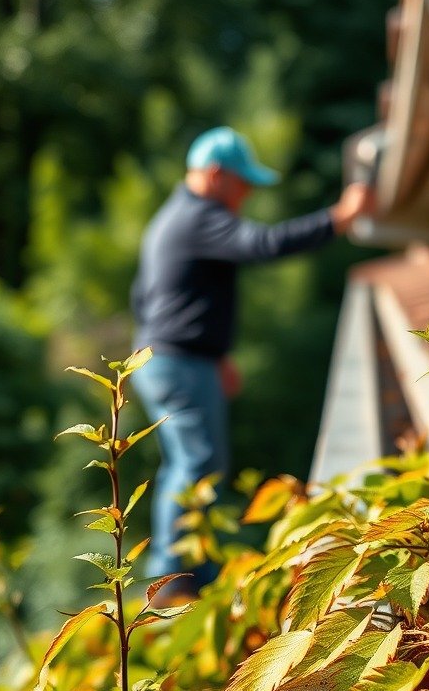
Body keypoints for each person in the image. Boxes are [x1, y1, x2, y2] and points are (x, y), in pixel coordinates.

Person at [130, 126, 376, 597]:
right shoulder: (198, 216)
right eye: (241, 185)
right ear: (216, 175)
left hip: (169, 358)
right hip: (180, 363)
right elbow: (261, 245)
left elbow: (143, 297)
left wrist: (214, 354)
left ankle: (182, 572)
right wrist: (339, 219)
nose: (243, 197)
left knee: (185, 465)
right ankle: (174, 582)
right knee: (197, 465)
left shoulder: (170, 219)